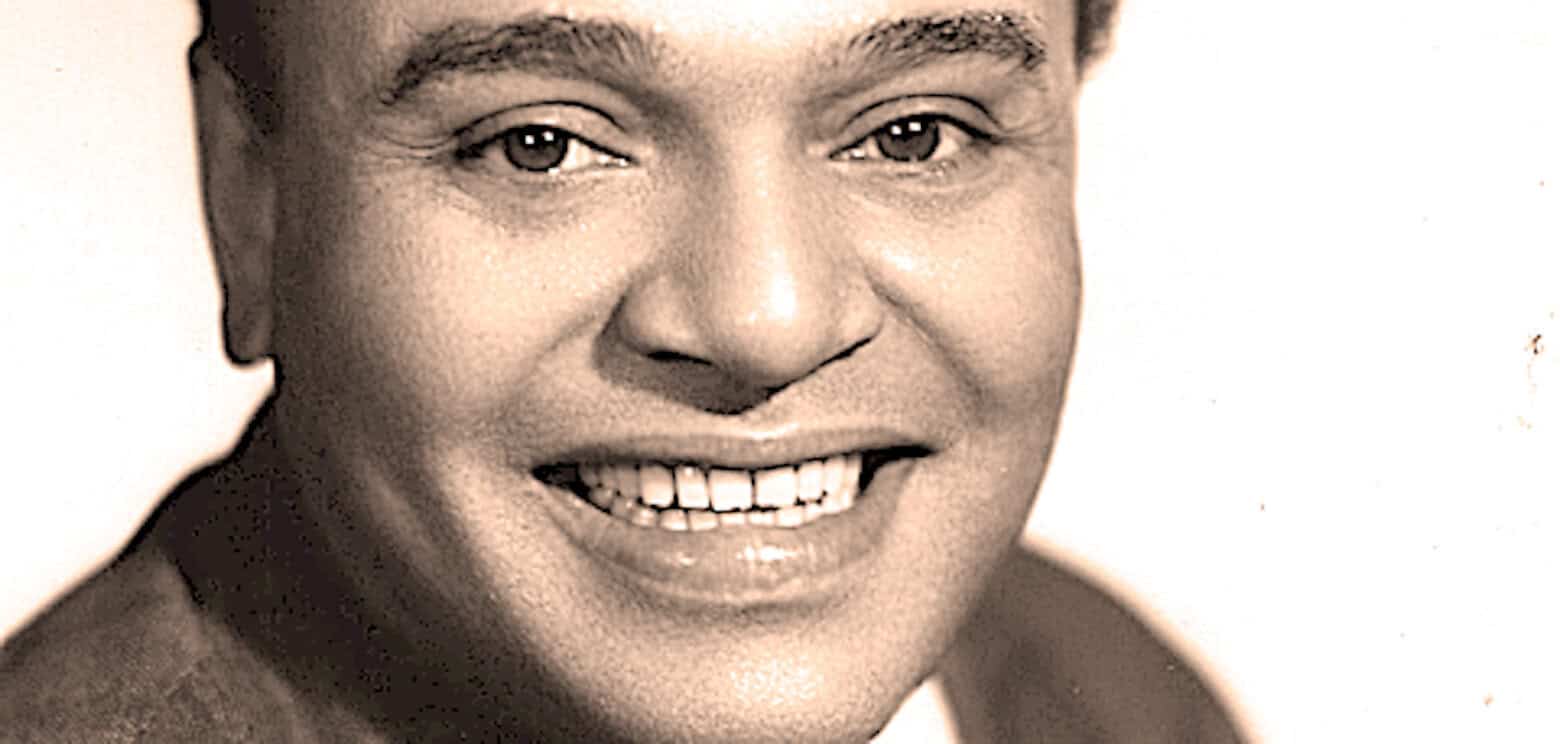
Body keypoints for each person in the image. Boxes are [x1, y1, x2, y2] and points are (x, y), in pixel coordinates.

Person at [0, 0, 1247, 741]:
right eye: (538, 146)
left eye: (914, 134)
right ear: (251, 202)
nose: (767, 321)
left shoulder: (1095, 691)